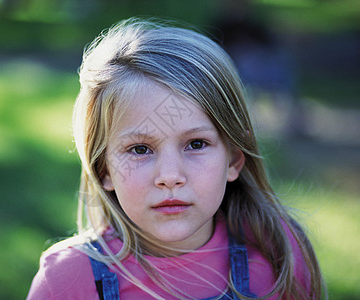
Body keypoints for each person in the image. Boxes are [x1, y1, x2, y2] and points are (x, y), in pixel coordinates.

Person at [27, 18, 325, 300]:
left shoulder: (278, 252)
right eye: (140, 149)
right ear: (104, 168)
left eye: (196, 144)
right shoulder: (68, 281)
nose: (170, 176)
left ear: (234, 158)